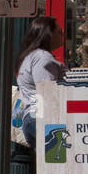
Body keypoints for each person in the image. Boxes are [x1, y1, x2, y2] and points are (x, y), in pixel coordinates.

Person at [15, 15, 66, 147]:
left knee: (49, 163)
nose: (63, 34)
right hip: (42, 118)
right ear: (48, 34)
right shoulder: (43, 58)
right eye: (59, 31)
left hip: (34, 118)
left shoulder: (31, 55)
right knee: (56, 161)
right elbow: (48, 92)